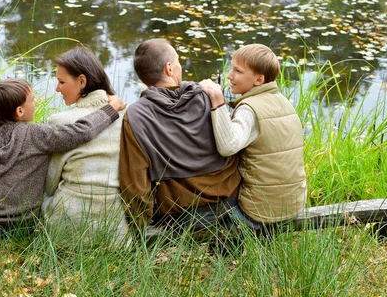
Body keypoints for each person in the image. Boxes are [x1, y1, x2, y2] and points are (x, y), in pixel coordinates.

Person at [0, 78, 126, 237]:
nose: (35, 103)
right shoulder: (38, 135)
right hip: (24, 227)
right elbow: (81, 132)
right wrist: (111, 108)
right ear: (19, 111)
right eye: (32, 100)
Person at [119, 38, 241, 234]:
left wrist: (139, 227)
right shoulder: (208, 96)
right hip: (229, 200)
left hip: (180, 213)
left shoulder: (136, 115)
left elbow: (134, 181)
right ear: (169, 69)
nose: (179, 66)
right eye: (177, 61)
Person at [200, 43, 307, 228]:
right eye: (231, 68)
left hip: (260, 211)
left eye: (238, 71)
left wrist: (217, 100)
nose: (229, 75)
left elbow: (227, 147)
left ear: (258, 80)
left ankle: (226, 250)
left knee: (207, 208)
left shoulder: (250, 110)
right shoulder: (284, 102)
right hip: (293, 204)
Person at [41, 47, 131, 246]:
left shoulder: (59, 121)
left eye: (62, 82)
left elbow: (49, 184)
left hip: (67, 229)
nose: (57, 88)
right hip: (116, 232)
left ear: (82, 81)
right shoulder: (128, 117)